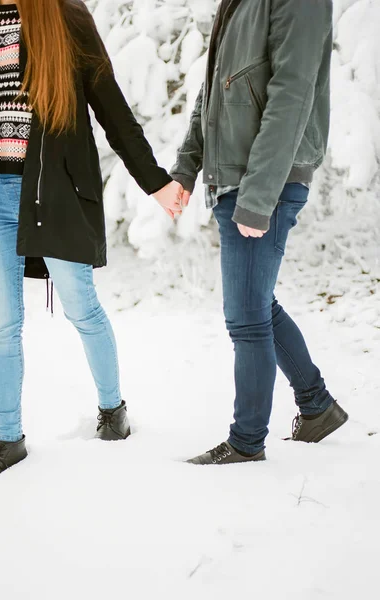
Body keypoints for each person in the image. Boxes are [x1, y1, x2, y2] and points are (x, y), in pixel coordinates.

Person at [0, 0, 183, 487]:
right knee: (1, 325)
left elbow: (112, 107)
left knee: (81, 307)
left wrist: (156, 182)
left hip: (53, 195)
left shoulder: (64, 15)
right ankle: (8, 441)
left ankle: (113, 413)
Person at [171, 0, 348, 465]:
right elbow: (211, 93)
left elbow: (292, 94)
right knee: (258, 303)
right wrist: (186, 168)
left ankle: (246, 443)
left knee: (246, 318)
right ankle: (317, 406)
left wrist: (258, 194)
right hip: (238, 175)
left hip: (265, 177)